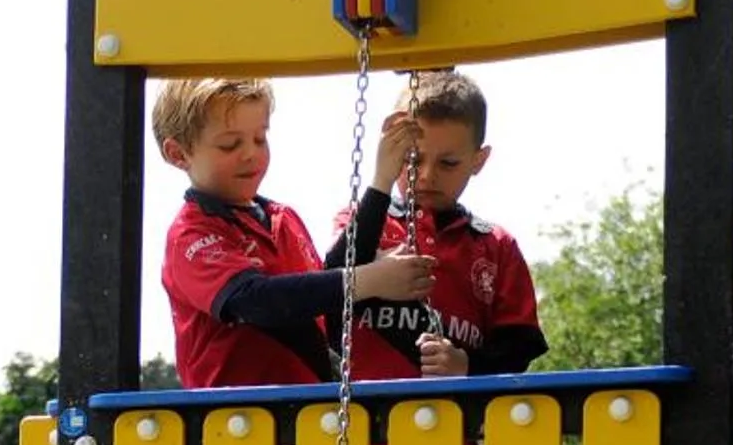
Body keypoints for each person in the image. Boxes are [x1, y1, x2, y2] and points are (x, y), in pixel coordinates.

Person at [154, 75, 434, 388]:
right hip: (235, 422)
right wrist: (369, 278)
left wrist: (382, 180)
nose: (251, 154)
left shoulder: (282, 219)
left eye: (260, 138)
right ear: (179, 154)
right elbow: (256, 301)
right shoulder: (190, 234)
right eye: (230, 144)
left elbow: (328, 289)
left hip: (308, 414)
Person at [326, 69, 548, 381]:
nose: (427, 175)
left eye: (448, 163)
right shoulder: (360, 220)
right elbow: (330, 283)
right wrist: (381, 181)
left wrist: (468, 365)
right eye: (413, 160)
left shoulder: (497, 245)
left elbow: (519, 345)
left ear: (478, 161)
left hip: (455, 421)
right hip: (363, 417)